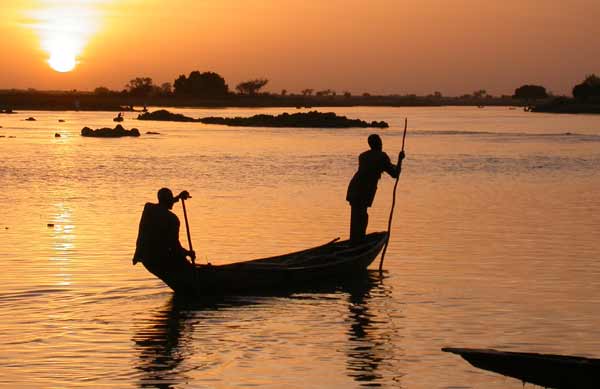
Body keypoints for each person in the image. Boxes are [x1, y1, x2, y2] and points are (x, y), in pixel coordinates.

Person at [346, 134, 405, 243]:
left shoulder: (363, 156)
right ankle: (357, 243)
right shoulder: (382, 157)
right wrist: (400, 160)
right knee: (362, 217)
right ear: (378, 144)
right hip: (363, 191)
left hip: (354, 189)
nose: (382, 144)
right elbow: (395, 173)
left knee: (357, 218)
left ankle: (355, 242)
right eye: (380, 142)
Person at [132, 188, 196, 274]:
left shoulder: (148, 208)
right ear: (168, 200)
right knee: (184, 265)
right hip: (159, 259)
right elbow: (174, 245)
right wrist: (187, 253)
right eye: (170, 198)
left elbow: (163, 204)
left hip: (145, 258)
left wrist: (178, 197)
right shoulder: (172, 219)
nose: (172, 200)